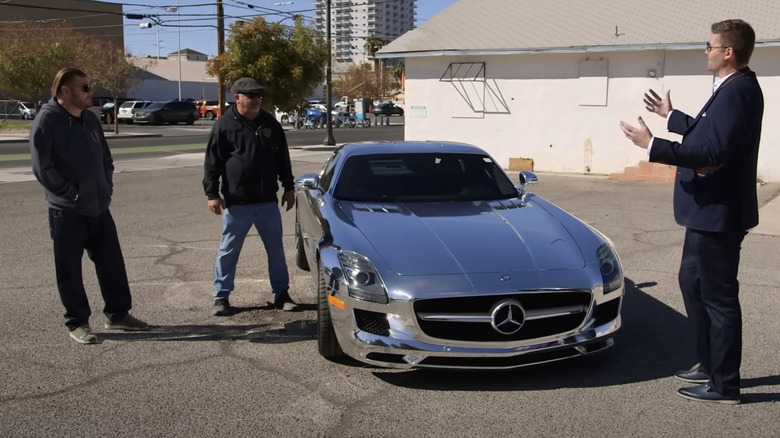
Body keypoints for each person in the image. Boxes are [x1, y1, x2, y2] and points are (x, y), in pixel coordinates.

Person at [620, 19, 763, 405]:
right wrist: (672, 115)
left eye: (710, 45)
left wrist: (653, 145)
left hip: (718, 215)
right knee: (692, 283)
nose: (706, 51)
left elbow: (713, 156)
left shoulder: (738, 92)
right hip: (705, 214)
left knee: (718, 298)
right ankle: (709, 363)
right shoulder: (731, 88)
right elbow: (707, 131)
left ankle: (725, 384)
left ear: (728, 52)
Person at [30, 67, 149, 344]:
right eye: (84, 87)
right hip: (67, 211)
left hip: (98, 206)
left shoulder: (90, 120)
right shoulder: (47, 121)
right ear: (65, 91)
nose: (90, 91)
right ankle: (77, 322)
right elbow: (43, 168)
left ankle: (118, 314)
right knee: (69, 269)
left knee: (111, 262)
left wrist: (106, 185)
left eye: (89, 86)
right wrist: (71, 195)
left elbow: (105, 157)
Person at [203, 77, 299, 315]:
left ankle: (281, 293)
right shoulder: (224, 125)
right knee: (229, 250)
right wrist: (212, 194)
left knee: (276, 250)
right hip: (238, 203)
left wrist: (288, 187)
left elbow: (282, 158)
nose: (256, 100)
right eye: (251, 96)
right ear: (237, 98)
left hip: (267, 201)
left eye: (258, 96)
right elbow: (212, 162)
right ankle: (221, 296)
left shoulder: (270, 124)